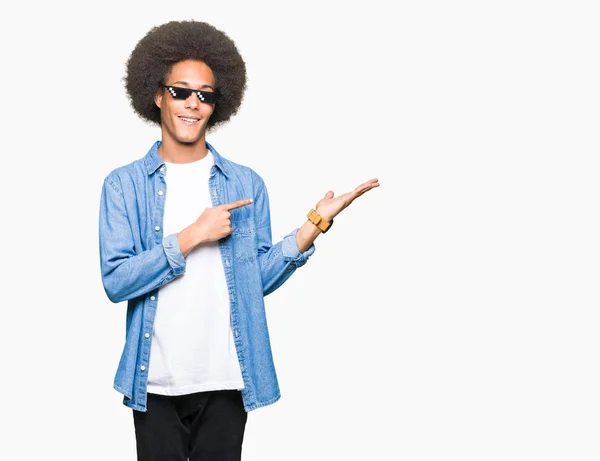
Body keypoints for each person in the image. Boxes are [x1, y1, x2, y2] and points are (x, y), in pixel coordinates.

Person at [98, 19, 380, 461]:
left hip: (227, 380)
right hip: (154, 381)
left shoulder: (245, 184)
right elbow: (116, 281)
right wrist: (193, 236)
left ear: (216, 104)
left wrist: (311, 227)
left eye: (205, 95)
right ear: (157, 95)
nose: (193, 104)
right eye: (181, 91)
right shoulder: (123, 186)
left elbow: (255, 280)